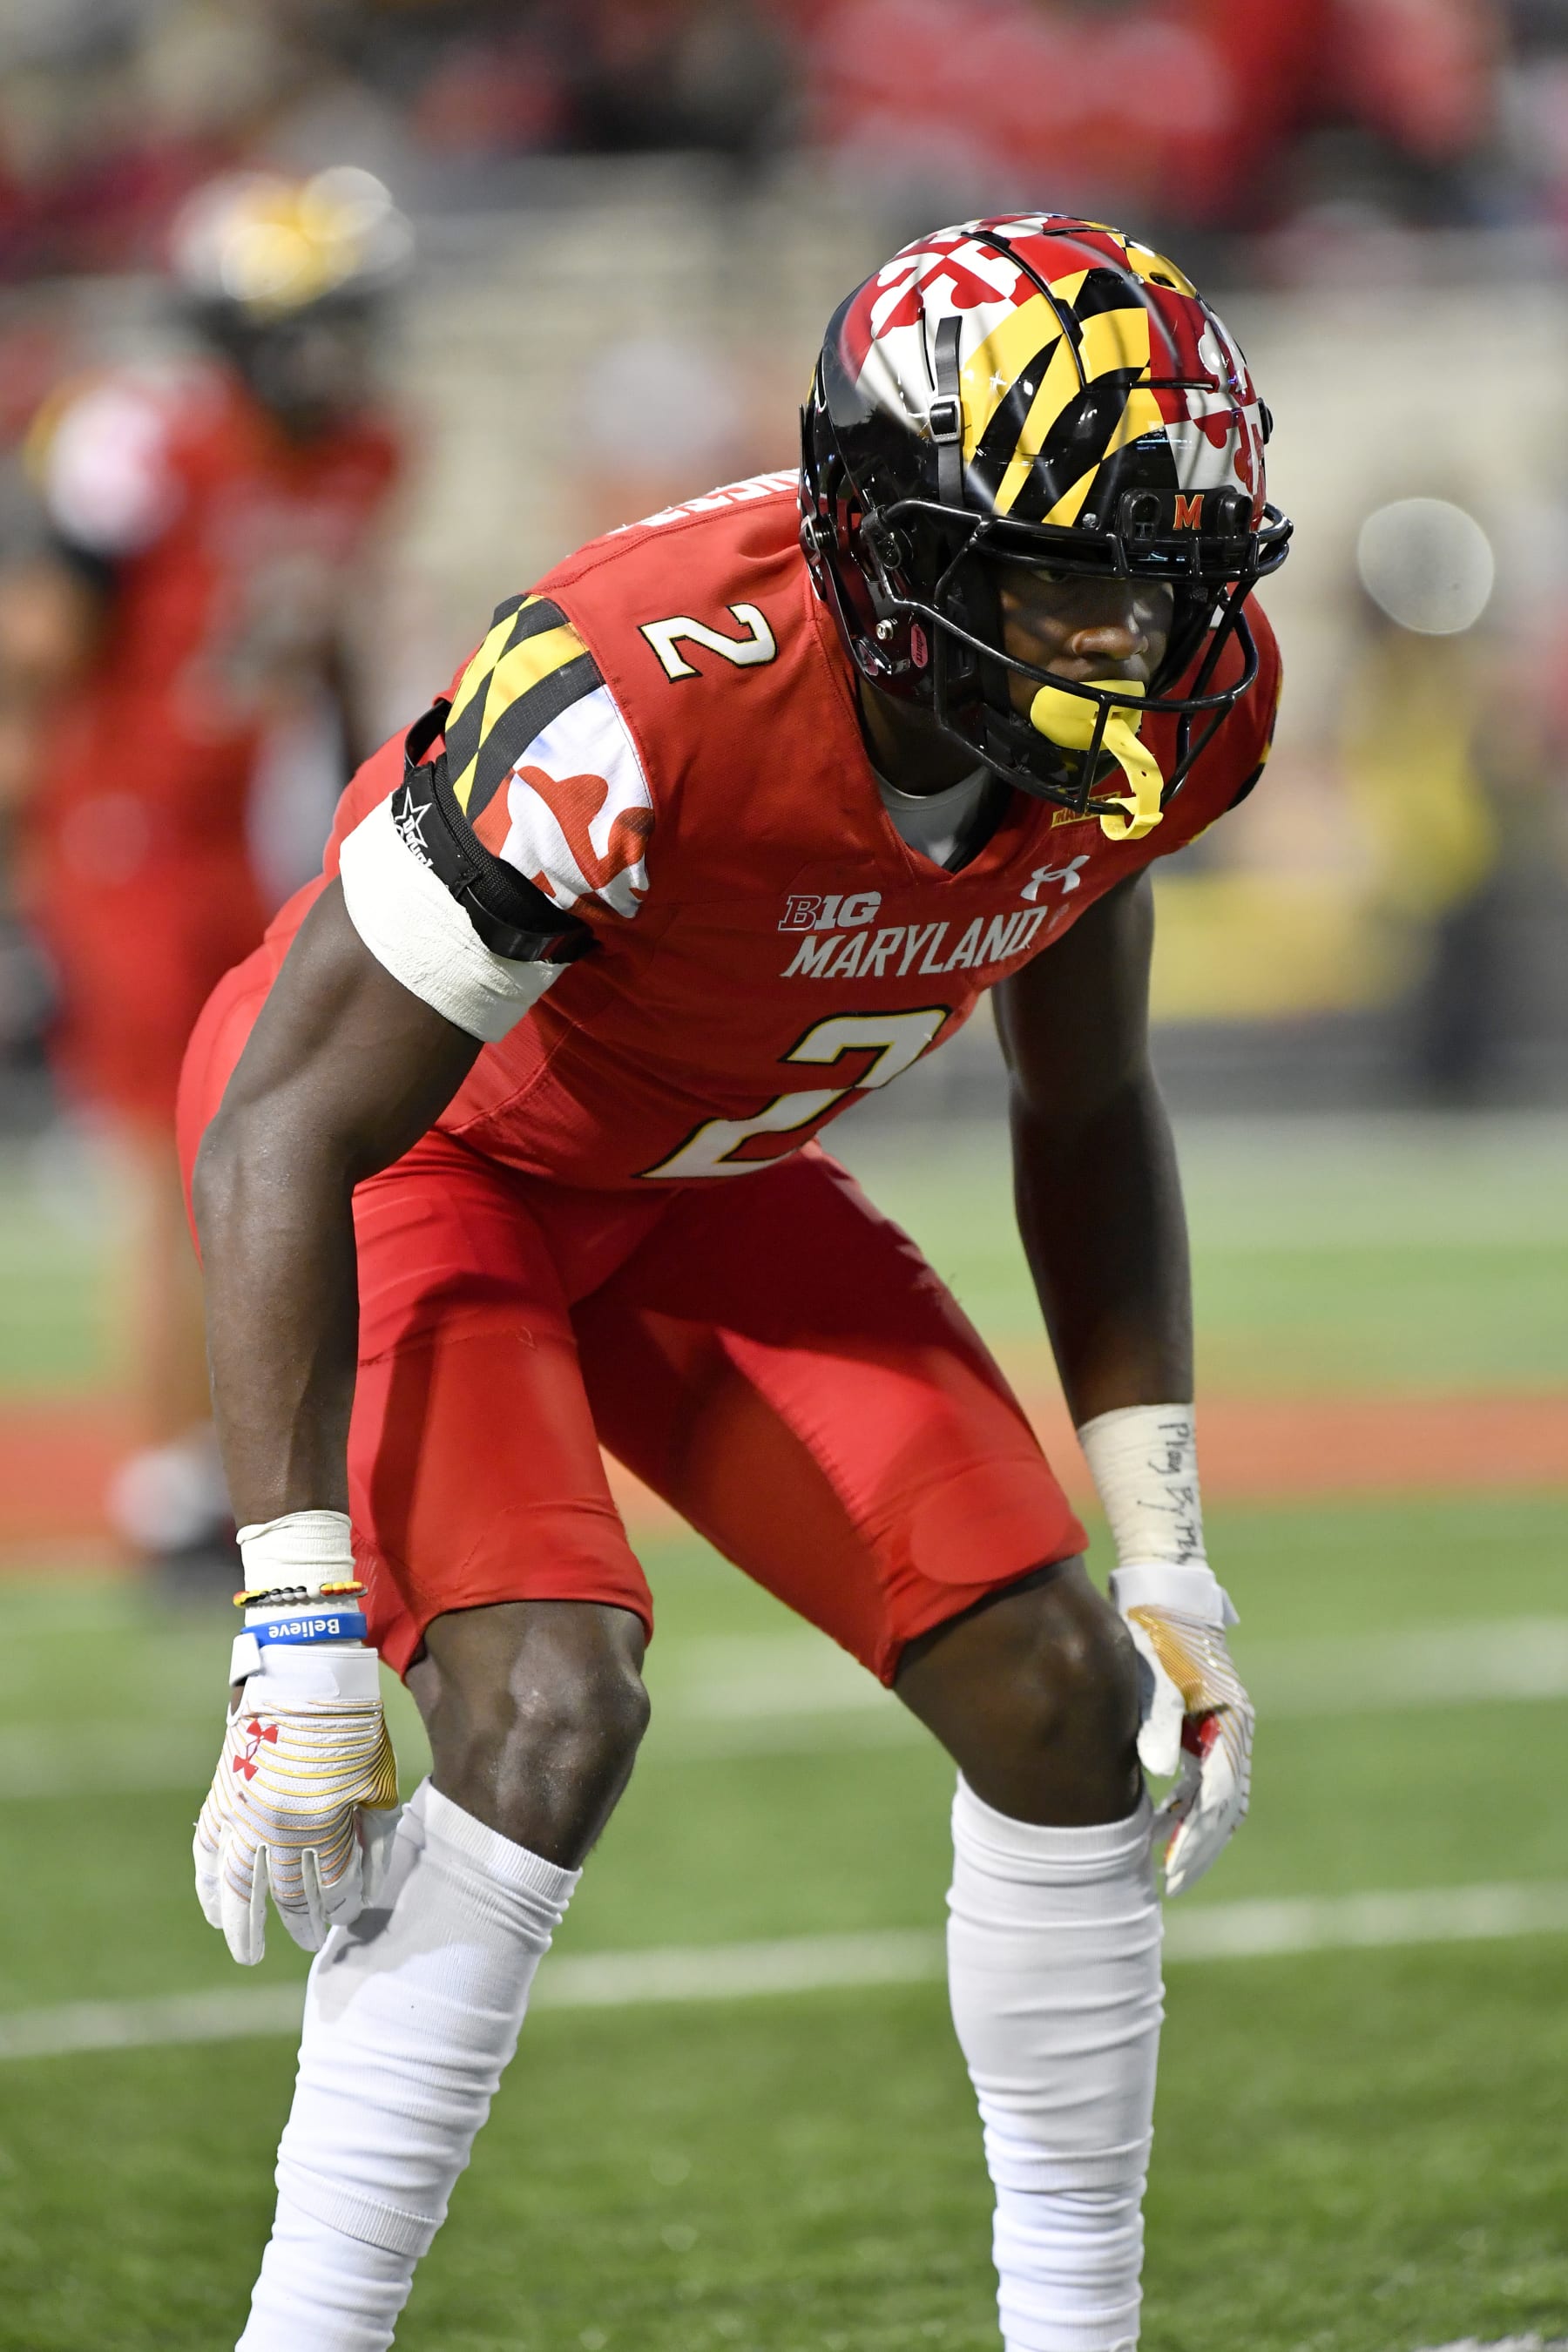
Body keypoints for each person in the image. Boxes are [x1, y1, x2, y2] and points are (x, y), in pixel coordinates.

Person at [180, 214, 1288, 2352]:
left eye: (1160, 576)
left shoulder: (1165, 701)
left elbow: (1087, 1104)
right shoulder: (638, 691)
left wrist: (1167, 1546)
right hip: (429, 1162)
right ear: (888, 546)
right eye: (1061, 573)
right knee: (546, 1706)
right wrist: (296, 1624)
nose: (1127, 640)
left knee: (1071, 1700)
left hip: (696, 1175)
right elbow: (283, 1129)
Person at [0, 167, 406, 1585]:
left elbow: (329, 637)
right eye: (312, 322)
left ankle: (250, 1460)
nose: (339, 354)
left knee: (276, 1133)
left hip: (231, 832)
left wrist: (375, 788)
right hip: (115, 832)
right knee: (165, 1161)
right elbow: (40, 648)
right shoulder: (148, 440)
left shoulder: (362, 450)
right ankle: (171, 1479)